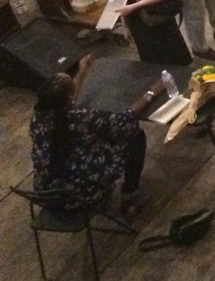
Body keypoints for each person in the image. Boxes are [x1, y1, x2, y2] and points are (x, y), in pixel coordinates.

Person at [30, 58, 151, 218]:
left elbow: (67, 101)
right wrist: (152, 93)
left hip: (49, 196)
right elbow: (125, 119)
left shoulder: (37, 120)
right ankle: (129, 196)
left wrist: (81, 73)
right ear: (67, 100)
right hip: (82, 196)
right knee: (135, 136)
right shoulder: (82, 119)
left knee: (95, 141)